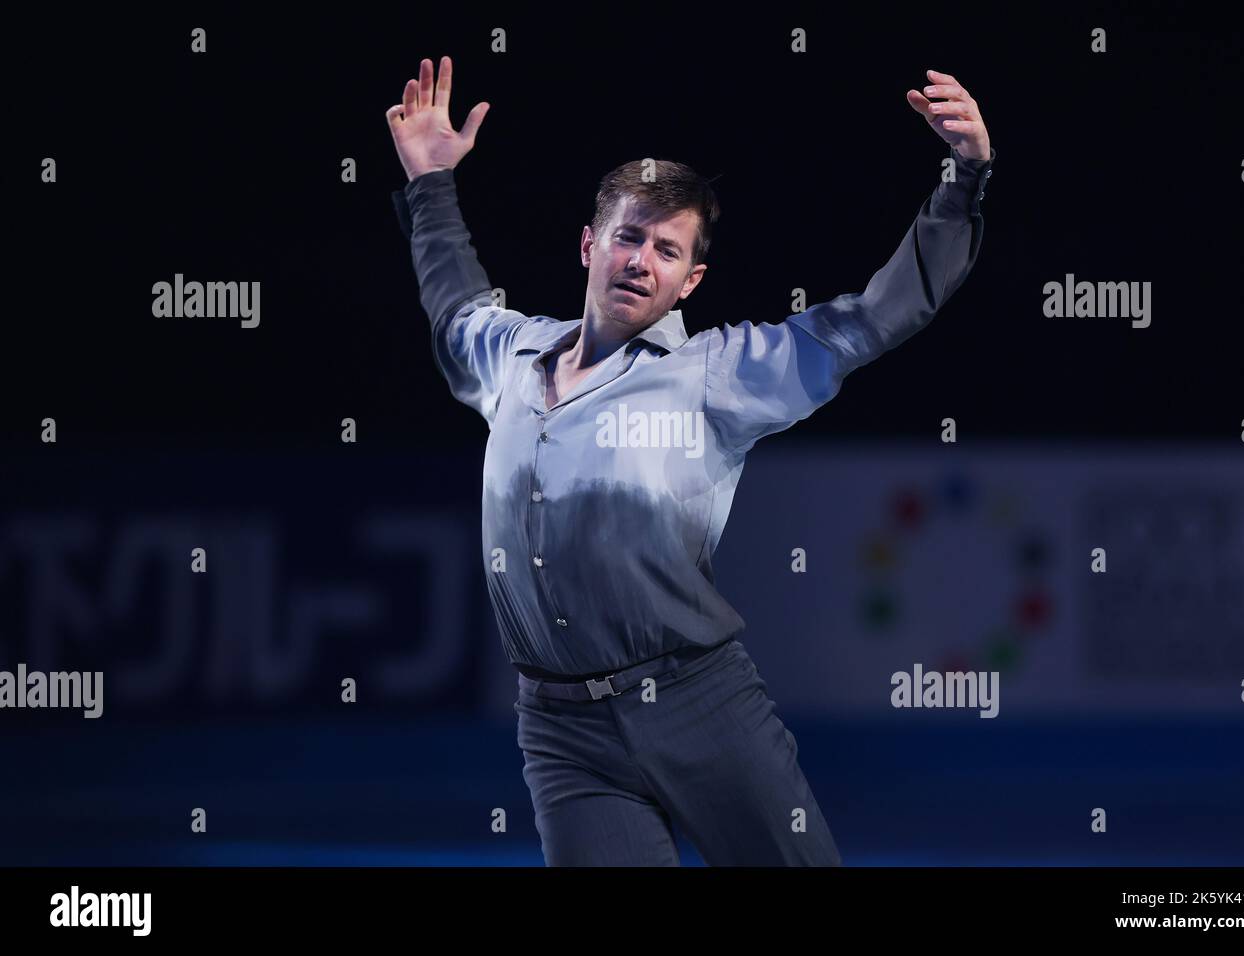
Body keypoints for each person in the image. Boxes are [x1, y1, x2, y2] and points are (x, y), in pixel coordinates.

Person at [387, 55, 995, 866]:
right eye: (627, 237)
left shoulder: (718, 376)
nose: (641, 260)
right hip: (561, 732)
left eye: (666, 251)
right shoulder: (512, 354)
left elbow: (877, 318)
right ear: (587, 245)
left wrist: (963, 179)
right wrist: (430, 183)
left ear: (689, 281)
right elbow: (455, 303)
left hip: (699, 705)